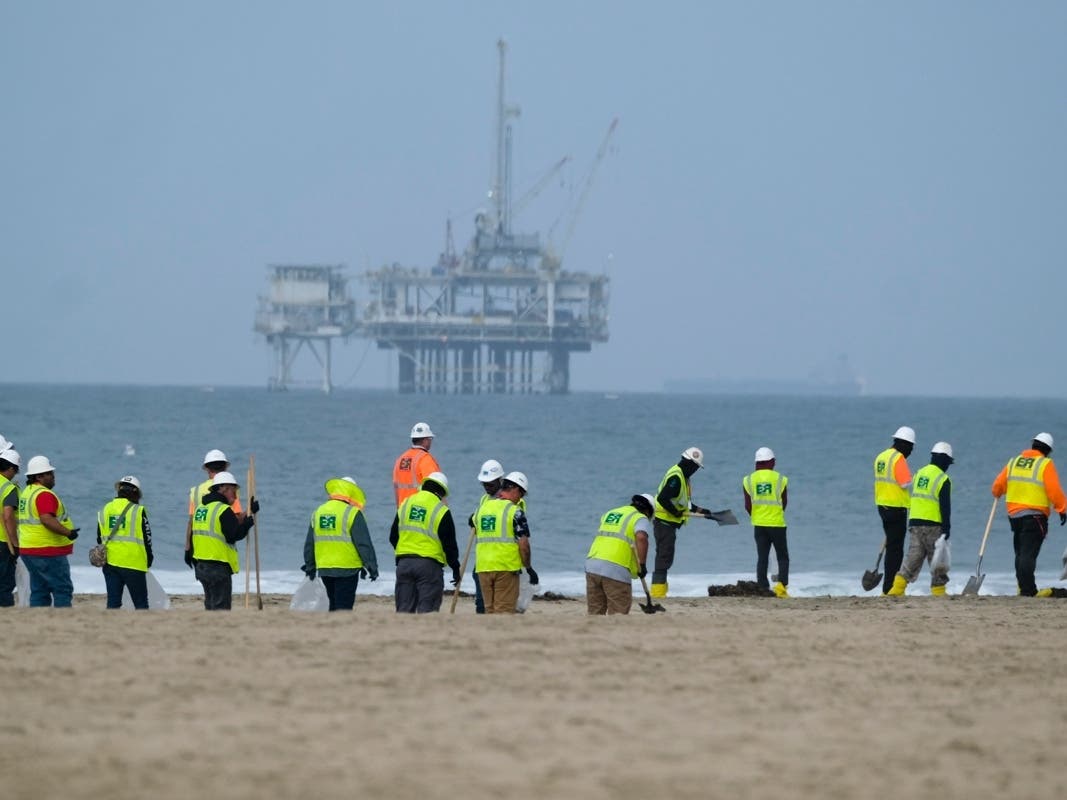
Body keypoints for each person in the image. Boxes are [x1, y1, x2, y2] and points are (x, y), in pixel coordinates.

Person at [990, 432, 1067, 597]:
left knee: (1020, 553)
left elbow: (997, 486)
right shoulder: (1045, 464)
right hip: (1035, 516)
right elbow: (1054, 490)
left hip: (1015, 517)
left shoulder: (1014, 462)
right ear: (1048, 450)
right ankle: (1027, 590)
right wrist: (1062, 509)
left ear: (1033, 445)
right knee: (1027, 554)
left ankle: (1022, 587)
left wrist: (997, 491)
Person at [302, 476, 379, 611]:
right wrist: (371, 566)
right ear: (350, 493)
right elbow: (363, 543)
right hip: (347, 569)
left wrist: (310, 566)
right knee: (343, 608)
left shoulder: (318, 512)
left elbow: (310, 543)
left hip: (325, 568)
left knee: (331, 606)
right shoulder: (352, 513)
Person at [887, 442, 954, 596]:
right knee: (937, 560)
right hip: (933, 524)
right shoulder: (943, 478)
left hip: (915, 522)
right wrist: (947, 528)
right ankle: (938, 591)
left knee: (913, 556)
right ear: (944, 460)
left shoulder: (919, 474)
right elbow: (945, 506)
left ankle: (896, 589)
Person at [389, 472, 460, 613]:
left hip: (404, 564)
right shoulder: (441, 510)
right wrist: (455, 568)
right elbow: (449, 545)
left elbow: (393, 536)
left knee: (403, 611)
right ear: (441, 492)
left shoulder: (406, 503)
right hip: (429, 566)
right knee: (428, 612)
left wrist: (405, 553)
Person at [188, 471, 259, 610]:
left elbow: (225, 524)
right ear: (224, 488)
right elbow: (234, 534)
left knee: (210, 604)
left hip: (201, 565)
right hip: (217, 566)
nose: (236, 495)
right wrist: (248, 523)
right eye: (234, 490)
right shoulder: (223, 509)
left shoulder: (201, 509)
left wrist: (248, 512)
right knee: (221, 608)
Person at [651, 447, 713, 598]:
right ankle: (658, 592)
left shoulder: (683, 477)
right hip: (664, 522)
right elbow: (663, 498)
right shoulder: (676, 478)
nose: (696, 471)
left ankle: (660, 589)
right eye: (696, 467)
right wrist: (675, 512)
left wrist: (702, 511)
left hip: (668, 523)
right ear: (689, 464)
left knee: (665, 555)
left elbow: (685, 503)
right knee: (664, 556)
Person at [18, 455, 79, 607]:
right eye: (50, 474)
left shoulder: (27, 492)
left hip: (28, 549)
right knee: (62, 588)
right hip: (47, 550)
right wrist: (68, 532)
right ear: (39, 476)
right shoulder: (44, 494)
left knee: (40, 589)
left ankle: (39, 621)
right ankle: (62, 621)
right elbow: (47, 519)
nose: (53, 477)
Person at [474, 471, 536, 614]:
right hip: (506, 568)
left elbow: (477, 529)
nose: (520, 498)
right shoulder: (515, 511)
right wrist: (528, 567)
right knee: (504, 612)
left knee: (489, 610)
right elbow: (524, 545)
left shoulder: (482, 509)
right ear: (515, 489)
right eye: (521, 494)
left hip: (483, 567)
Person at [585, 493, 655, 614]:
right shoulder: (640, 518)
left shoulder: (611, 513)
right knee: (618, 613)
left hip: (592, 565)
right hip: (616, 568)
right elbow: (641, 537)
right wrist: (642, 564)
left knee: (595, 613)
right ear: (648, 511)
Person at [96, 475, 153, 610]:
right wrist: (149, 557)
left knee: (113, 604)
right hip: (134, 563)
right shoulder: (138, 511)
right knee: (141, 604)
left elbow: (99, 537)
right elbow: (147, 538)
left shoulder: (105, 509)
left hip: (110, 563)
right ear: (136, 493)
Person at [873, 425, 916, 594]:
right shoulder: (898, 458)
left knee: (891, 546)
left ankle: (888, 587)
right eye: (910, 447)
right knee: (895, 550)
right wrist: (912, 476)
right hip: (897, 508)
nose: (911, 451)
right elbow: (905, 482)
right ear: (903, 444)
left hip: (882, 506)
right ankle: (889, 588)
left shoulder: (881, 457)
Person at [743, 447, 790, 598]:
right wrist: (775, 513)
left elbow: (747, 506)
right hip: (777, 524)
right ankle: (781, 589)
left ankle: (762, 588)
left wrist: (756, 516)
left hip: (759, 524)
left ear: (756, 463)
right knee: (782, 557)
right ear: (772, 462)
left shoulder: (748, 480)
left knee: (762, 557)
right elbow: (784, 502)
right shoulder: (780, 479)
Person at [184, 449, 242, 570]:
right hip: (220, 551)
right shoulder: (229, 488)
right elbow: (237, 519)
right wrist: (248, 516)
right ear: (225, 467)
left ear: (206, 468)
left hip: (199, 549)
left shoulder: (196, 491)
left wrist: (187, 548)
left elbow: (191, 523)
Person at [468, 459, 505, 614]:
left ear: (500, 480)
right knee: (481, 603)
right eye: (484, 484)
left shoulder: (510, 499)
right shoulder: (484, 499)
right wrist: (473, 519)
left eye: (490, 484)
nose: (487, 487)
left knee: (501, 603)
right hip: (483, 559)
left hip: (502, 560)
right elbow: (479, 519)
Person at [392, 422, 441, 507]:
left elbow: (396, 488)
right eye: (430, 439)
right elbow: (435, 487)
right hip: (420, 512)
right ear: (425, 440)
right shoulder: (426, 459)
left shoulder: (400, 459)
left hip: (403, 512)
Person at [0, 449, 21, 607]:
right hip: (3, 541)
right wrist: (15, 544)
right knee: (5, 583)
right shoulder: (9, 488)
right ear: (11, 469)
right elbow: (8, 517)